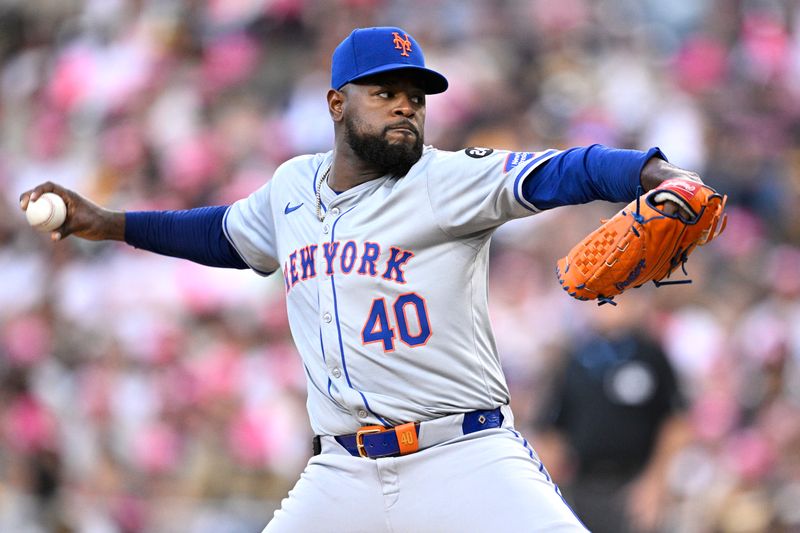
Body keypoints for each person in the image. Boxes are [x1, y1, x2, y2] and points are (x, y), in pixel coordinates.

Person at [20, 26, 704, 532]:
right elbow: (223, 234)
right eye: (386, 93)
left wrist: (654, 173)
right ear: (336, 103)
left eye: (416, 95)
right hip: (341, 469)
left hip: (463, 453)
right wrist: (107, 223)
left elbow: (565, 169)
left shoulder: (445, 178)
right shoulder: (291, 187)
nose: (406, 106)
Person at [535, 298, 691, 533]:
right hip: (583, 485)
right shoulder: (577, 358)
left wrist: (655, 482)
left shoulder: (649, 355)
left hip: (635, 483)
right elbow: (552, 430)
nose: (607, 306)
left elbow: (675, 422)